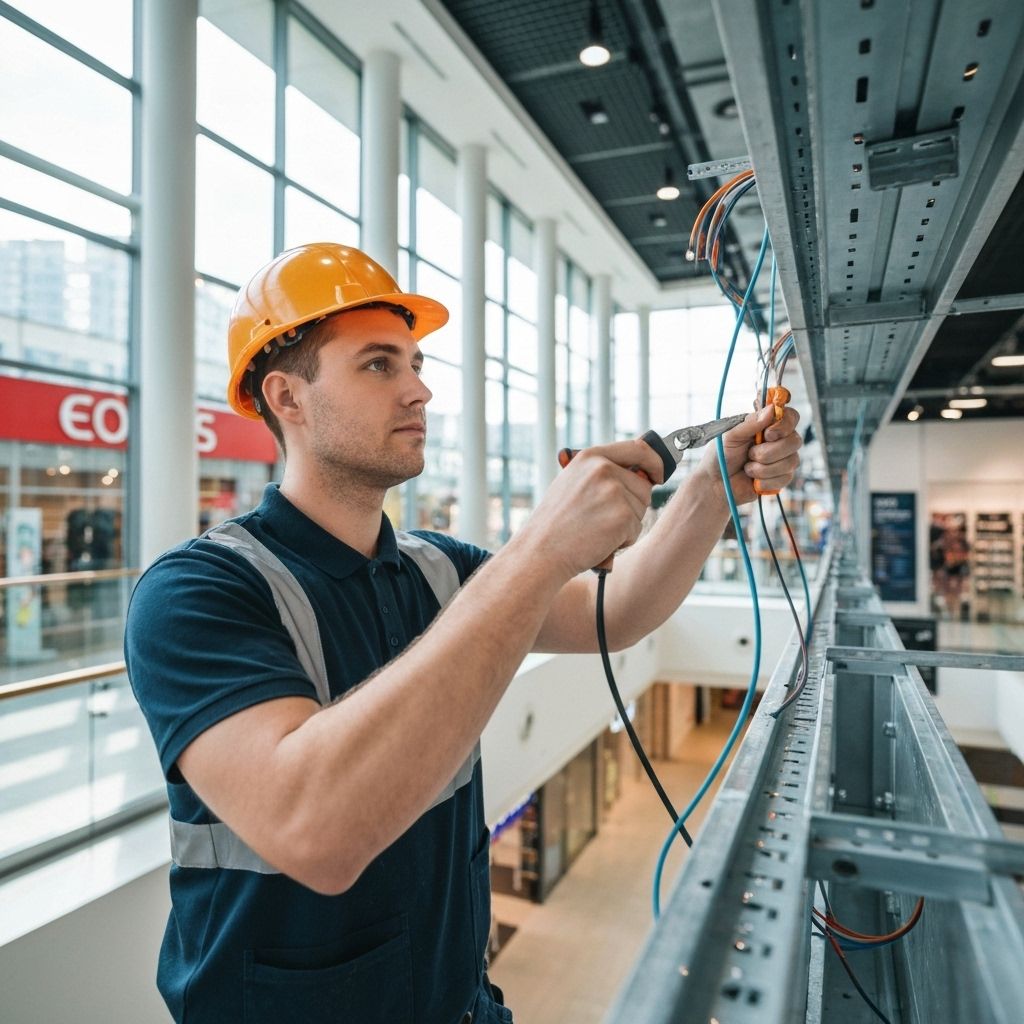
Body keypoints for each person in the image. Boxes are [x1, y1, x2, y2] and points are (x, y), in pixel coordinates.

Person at [125, 242, 802, 1024]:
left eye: (415, 363)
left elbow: (613, 613)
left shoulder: (436, 568)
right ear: (288, 397)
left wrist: (711, 489)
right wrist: (542, 547)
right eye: (379, 366)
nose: (419, 389)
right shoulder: (196, 591)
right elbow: (314, 828)